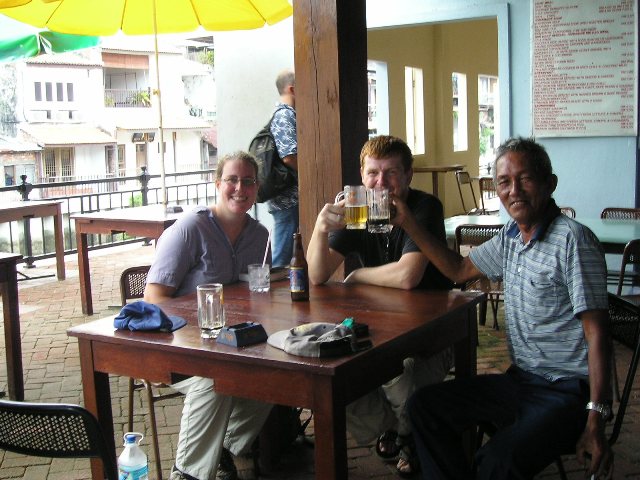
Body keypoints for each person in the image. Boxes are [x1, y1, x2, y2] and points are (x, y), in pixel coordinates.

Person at [395, 137, 614, 480]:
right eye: (504, 182)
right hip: (522, 382)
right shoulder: (511, 236)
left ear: (549, 184)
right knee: (424, 408)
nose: (514, 191)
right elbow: (458, 270)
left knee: (496, 460)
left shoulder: (574, 240)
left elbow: (597, 333)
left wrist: (596, 418)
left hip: (566, 392)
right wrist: (409, 222)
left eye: (525, 179)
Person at [307, 134, 453, 477]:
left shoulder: (424, 208)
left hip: (432, 331)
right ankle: (402, 429)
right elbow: (316, 274)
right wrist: (319, 229)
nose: (381, 183)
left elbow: (407, 276)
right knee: (332, 377)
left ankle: (411, 434)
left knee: (398, 372)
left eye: (391, 173)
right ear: (362, 175)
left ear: (408, 175)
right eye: (373, 173)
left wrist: (356, 276)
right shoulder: (359, 209)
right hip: (380, 326)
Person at [144, 151, 273, 480]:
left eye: (248, 181)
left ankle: (224, 449)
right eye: (232, 180)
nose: (240, 188)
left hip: (233, 344)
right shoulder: (191, 228)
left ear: (257, 188)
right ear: (217, 184)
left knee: (277, 373)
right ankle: (187, 473)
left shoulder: (260, 236)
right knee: (216, 378)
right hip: (182, 348)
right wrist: (195, 331)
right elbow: (154, 298)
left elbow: (259, 295)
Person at [268, 69, 299, 267]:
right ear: (292, 89)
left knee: (291, 253)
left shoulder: (287, 114)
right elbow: (289, 156)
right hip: (287, 198)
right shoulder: (284, 115)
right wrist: (309, 177)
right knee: (283, 258)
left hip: (289, 197)